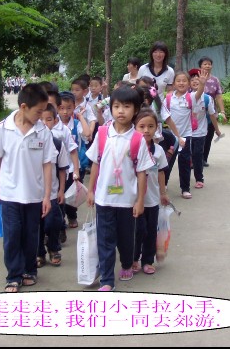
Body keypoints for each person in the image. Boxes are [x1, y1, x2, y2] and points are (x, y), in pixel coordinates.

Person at [0, 83, 56, 293]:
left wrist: (46, 196)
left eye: (44, 111)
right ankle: (13, 275)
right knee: (12, 234)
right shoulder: (4, 127)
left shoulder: (42, 131)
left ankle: (29, 270)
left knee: (31, 235)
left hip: (34, 195)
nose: (42, 115)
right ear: (24, 107)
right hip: (9, 193)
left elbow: (47, 164)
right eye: (39, 111)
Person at [85, 86, 153, 291]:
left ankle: (125, 263)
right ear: (111, 109)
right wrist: (90, 190)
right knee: (105, 240)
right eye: (116, 106)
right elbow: (96, 163)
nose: (121, 111)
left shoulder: (138, 139)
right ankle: (107, 279)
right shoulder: (103, 133)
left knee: (126, 239)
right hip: (104, 199)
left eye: (126, 106)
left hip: (127, 200)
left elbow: (142, 172)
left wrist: (140, 200)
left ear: (135, 110)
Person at [132, 108, 170, 275]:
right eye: (142, 126)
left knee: (150, 231)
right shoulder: (130, 149)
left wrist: (163, 193)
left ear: (157, 128)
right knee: (137, 231)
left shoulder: (159, 151)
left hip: (152, 199)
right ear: (134, 127)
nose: (146, 130)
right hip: (133, 200)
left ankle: (147, 260)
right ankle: (133, 258)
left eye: (150, 126)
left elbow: (161, 172)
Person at [160, 71, 204, 199]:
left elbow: (199, 93)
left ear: (189, 83)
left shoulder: (191, 97)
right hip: (170, 137)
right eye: (178, 81)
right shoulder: (168, 98)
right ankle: (164, 184)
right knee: (167, 161)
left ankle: (185, 188)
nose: (181, 83)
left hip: (185, 135)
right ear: (173, 83)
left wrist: (202, 83)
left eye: (184, 81)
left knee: (184, 162)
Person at [37, 103, 70, 268]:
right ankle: (39, 253)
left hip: (52, 193)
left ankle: (54, 248)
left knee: (53, 223)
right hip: (34, 194)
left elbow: (63, 169)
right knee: (36, 226)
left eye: (48, 119)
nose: (44, 123)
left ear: (55, 121)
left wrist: (61, 190)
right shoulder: (31, 142)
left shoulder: (57, 143)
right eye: (40, 119)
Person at [57, 91, 87, 240]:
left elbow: (87, 133)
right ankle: (60, 224)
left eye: (69, 108)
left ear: (74, 107)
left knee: (71, 197)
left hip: (72, 167)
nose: (65, 111)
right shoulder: (52, 123)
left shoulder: (75, 124)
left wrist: (81, 117)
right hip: (58, 168)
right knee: (60, 198)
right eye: (61, 108)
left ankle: (72, 215)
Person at [188, 68, 222, 189]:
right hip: (186, 133)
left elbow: (212, 115)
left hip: (200, 132)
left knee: (197, 154)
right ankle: (186, 178)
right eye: (192, 79)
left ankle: (199, 178)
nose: (195, 81)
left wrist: (217, 130)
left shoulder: (208, 99)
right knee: (187, 156)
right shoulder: (185, 97)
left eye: (198, 79)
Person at [198, 56, 225, 167]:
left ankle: (204, 159)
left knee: (208, 135)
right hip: (197, 111)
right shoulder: (196, 78)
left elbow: (218, 96)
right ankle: (195, 158)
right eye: (205, 64)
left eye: (209, 64)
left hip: (211, 112)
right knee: (197, 135)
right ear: (200, 66)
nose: (207, 66)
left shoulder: (215, 80)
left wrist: (222, 111)